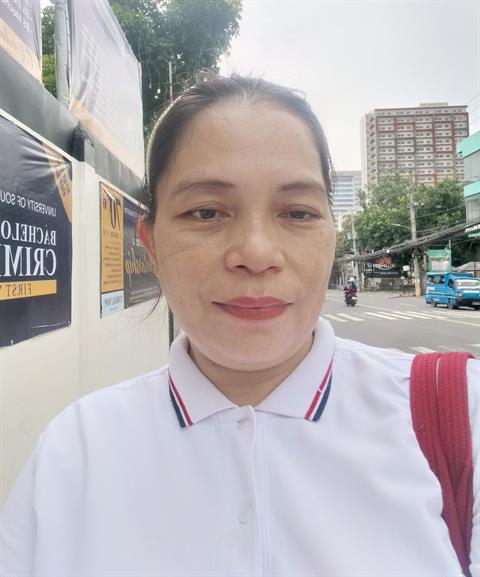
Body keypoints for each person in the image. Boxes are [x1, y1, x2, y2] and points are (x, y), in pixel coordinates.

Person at [1, 74, 479, 577]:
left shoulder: (458, 414)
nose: (256, 253)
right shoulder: (75, 452)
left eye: (297, 213)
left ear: (331, 236)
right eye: (206, 211)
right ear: (151, 243)